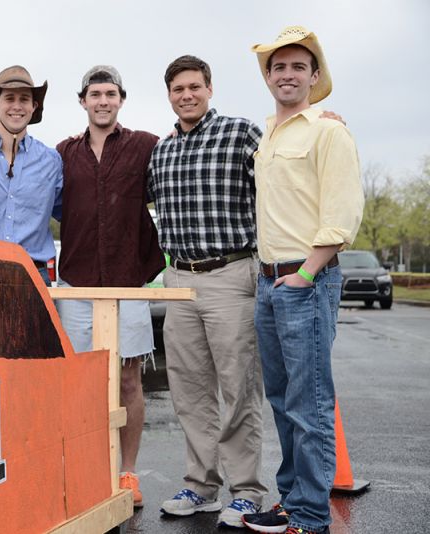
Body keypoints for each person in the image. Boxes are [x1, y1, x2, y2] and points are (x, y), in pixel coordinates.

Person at [241, 27, 363, 534]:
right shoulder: (267, 135)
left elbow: (341, 213)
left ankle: (311, 517)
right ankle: (294, 501)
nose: (286, 74)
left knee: (309, 402)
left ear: (315, 76)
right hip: (269, 283)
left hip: (305, 281)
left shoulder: (328, 131)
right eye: (278, 67)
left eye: (297, 67)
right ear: (268, 77)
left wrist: (306, 273)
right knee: (281, 399)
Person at [146, 55, 268, 528]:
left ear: (210, 88)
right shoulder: (162, 151)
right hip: (179, 280)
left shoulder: (241, 134)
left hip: (231, 274)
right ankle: (201, 486)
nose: (187, 95)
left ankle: (247, 491)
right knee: (190, 390)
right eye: (178, 89)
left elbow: (278, 180)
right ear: (170, 94)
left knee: (238, 388)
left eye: (194, 86)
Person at [55, 66, 165, 508]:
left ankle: (127, 472)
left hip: (128, 282)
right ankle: (86, 470)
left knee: (127, 379)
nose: (103, 100)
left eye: (111, 93)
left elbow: (190, 156)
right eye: (95, 94)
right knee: (81, 381)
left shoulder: (146, 146)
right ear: (82, 100)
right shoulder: (64, 152)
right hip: (77, 282)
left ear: (122, 99)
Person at [0, 65, 63, 285]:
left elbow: (67, 214)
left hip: (34, 274)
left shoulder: (51, 161)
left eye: (24, 100)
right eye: (9, 98)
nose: (17, 106)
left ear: (34, 106)